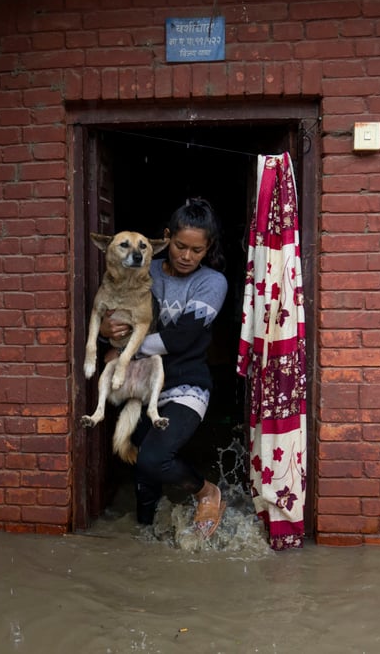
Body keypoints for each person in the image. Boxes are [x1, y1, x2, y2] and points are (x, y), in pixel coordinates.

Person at [99, 197, 229, 538]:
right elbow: (113, 305)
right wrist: (104, 331)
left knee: (153, 459)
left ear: (208, 248)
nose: (187, 257)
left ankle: (206, 492)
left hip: (187, 384)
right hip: (141, 383)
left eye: (197, 250)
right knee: (144, 485)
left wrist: (125, 351)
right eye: (180, 246)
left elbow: (182, 338)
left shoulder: (212, 283)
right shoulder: (145, 269)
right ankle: (146, 554)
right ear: (167, 237)